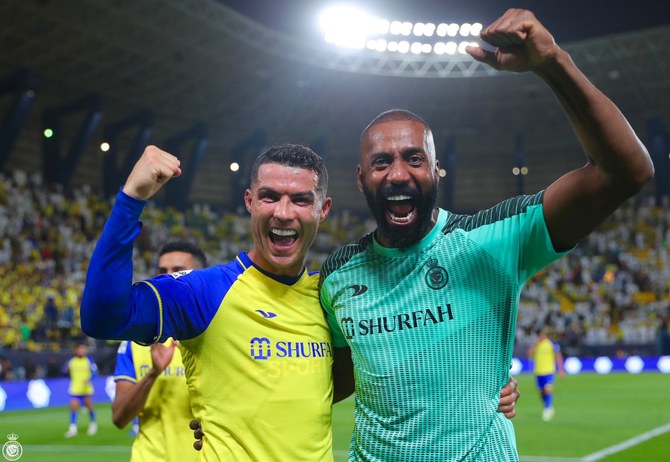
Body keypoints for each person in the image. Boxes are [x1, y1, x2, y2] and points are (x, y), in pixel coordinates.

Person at [319, 9, 653, 461]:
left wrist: (552, 62)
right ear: (361, 180)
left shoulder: (494, 239)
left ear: (437, 171)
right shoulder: (337, 274)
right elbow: (328, 381)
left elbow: (625, 173)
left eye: (414, 159)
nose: (398, 173)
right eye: (382, 163)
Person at [81, 144, 518, 460]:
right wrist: (131, 199)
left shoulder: (331, 296)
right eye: (270, 196)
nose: (284, 213)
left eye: (300, 200)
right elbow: (103, 316)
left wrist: (477, 394)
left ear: (322, 209)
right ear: (250, 202)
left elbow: (365, 372)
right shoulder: (203, 293)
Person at [112, 241, 207, 461]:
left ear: (201, 277)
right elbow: (119, 418)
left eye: (178, 271)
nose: (167, 278)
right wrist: (153, 374)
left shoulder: (217, 336)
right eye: (162, 271)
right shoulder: (137, 341)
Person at [527, 328, 565, 421]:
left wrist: (561, 370)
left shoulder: (552, 343)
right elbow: (529, 354)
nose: (541, 336)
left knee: (548, 390)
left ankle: (548, 408)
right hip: (538, 371)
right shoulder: (537, 344)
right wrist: (535, 344)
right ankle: (547, 406)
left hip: (549, 371)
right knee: (542, 392)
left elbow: (558, 356)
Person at [63, 343, 98, 437]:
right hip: (75, 388)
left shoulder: (89, 360)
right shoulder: (71, 361)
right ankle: (73, 428)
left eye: (84, 349)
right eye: (81, 349)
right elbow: (65, 370)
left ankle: (93, 424)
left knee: (90, 407)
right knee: (73, 408)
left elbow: (95, 373)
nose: (83, 351)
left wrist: (89, 379)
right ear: (76, 350)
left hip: (87, 389)